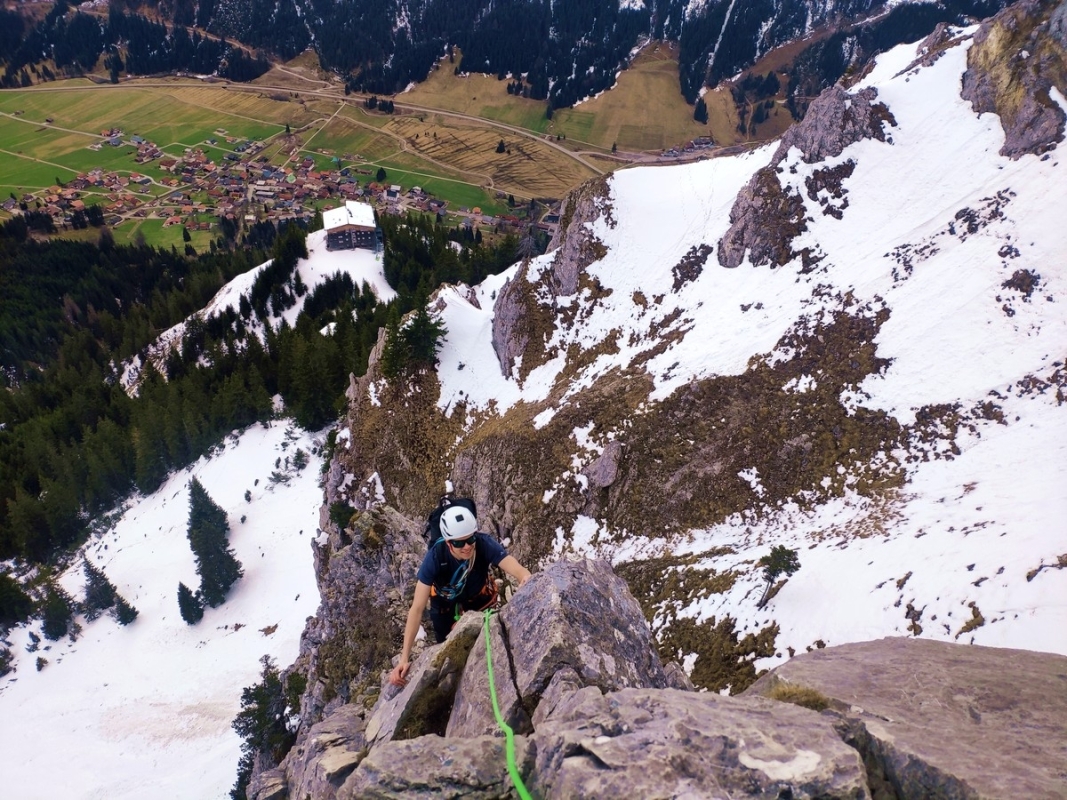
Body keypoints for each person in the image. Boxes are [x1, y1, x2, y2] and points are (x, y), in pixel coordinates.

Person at [389, 505, 531, 687]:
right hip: (444, 603)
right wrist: (404, 658)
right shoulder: (435, 557)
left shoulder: (482, 543)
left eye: (470, 539)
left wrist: (524, 576)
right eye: (458, 543)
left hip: (478, 598)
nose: (466, 547)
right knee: (446, 647)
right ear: (448, 542)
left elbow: (513, 565)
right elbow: (416, 609)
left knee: (485, 640)